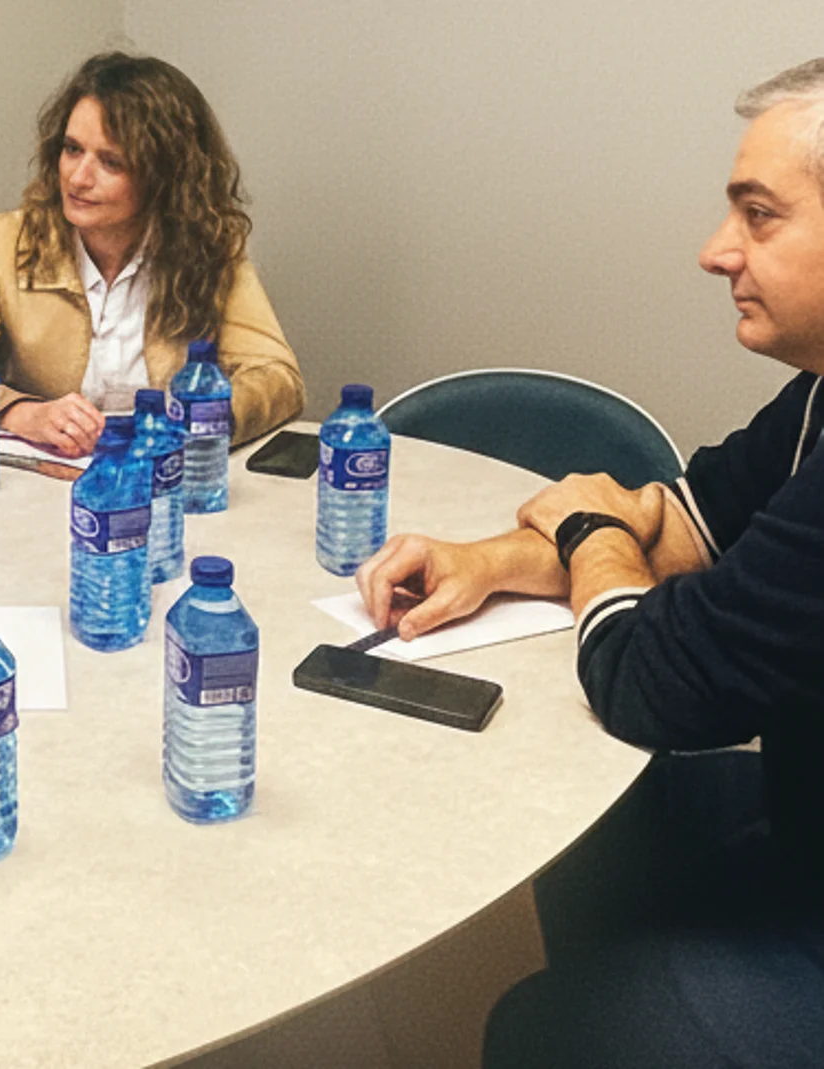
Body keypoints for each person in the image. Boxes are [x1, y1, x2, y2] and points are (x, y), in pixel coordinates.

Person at [357, 58, 824, 1067]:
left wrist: (583, 534)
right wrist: (491, 558)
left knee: (539, 1028)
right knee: (593, 832)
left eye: (759, 215)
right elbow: (685, 521)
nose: (714, 251)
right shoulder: (815, 396)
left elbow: (647, 680)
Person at [0, 52, 304, 458]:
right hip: (40, 482)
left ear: (164, 177)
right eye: (72, 149)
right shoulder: (1, 244)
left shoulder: (210, 247)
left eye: (111, 162)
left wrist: (196, 418)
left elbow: (278, 378)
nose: (78, 178)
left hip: (164, 476)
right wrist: (20, 412)